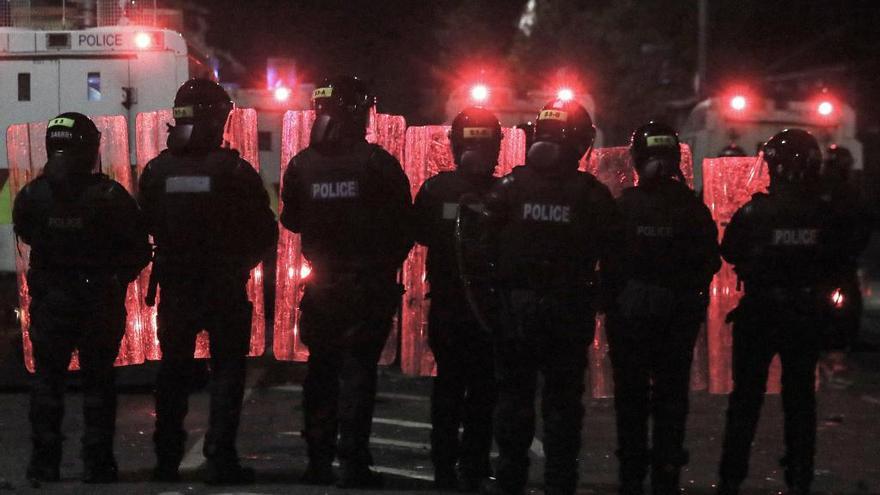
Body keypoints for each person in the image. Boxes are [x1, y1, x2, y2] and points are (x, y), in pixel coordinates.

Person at [139, 79, 277, 484]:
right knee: (227, 373)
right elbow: (265, 230)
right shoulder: (234, 171)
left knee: (172, 372)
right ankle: (220, 458)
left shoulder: (156, 170)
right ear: (217, 119)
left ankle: (166, 460)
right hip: (223, 286)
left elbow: (142, 222)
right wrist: (238, 263)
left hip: (176, 287)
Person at [479, 99, 619, 495]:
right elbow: (616, 253)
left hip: (515, 311)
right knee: (562, 405)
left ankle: (510, 479)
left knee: (514, 397)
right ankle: (561, 482)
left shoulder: (508, 188)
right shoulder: (591, 195)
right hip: (568, 312)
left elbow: (478, 247)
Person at [280, 75, 413, 488]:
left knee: (321, 372)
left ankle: (316, 462)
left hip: (322, 287)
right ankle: (353, 463)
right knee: (359, 373)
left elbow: (292, 219)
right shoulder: (378, 164)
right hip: (367, 286)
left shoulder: (302, 164)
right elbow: (404, 228)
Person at [716, 129, 855, 495]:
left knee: (745, 401)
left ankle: (731, 478)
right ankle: (799, 476)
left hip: (759, 315)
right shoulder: (824, 215)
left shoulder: (754, 212)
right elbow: (840, 259)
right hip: (804, 315)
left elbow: (730, 251)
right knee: (800, 403)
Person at [13, 113, 150, 483]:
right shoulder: (109, 196)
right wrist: (116, 278)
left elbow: (25, 233)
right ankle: (98, 464)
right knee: (99, 384)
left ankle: (44, 464)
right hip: (97, 302)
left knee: (47, 383)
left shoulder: (32, 195)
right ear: (90, 149)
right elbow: (138, 248)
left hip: (52, 301)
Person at [605, 122, 720, 495]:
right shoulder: (691, 208)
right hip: (676, 320)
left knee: (631, 398)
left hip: (630, 321)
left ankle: (632, 476)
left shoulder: (624, 206)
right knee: (671, 398)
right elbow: (710, 262)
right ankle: (666, 473)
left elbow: (605, 261)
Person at [414, 106, 502, 491]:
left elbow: (417, 233)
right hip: (489, 310)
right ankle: (475, 466)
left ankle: (444, 467)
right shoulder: (505, 192)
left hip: (450, 308)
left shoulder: (435, 190)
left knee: (449, 387)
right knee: (483, 391)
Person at [819, 145, 872, 351]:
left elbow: (864, 221)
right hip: (838, 257)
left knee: (845, 298)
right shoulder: (846, 191)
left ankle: (839, 336)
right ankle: (842, 337)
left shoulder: (839, 190)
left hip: (835, 257)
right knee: (846, 298)